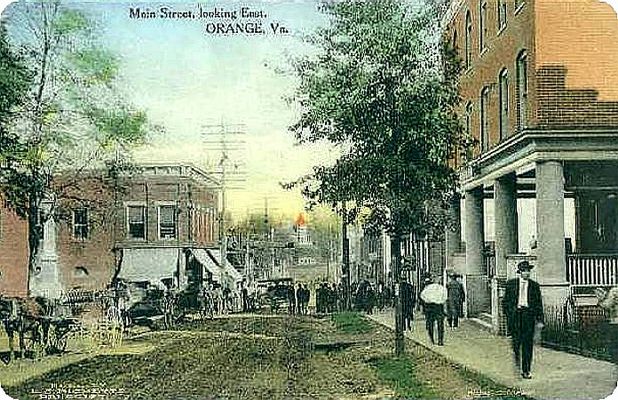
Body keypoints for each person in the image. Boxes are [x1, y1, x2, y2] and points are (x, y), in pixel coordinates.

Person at [503, 261, 544, 379]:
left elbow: (538, 304)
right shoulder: (511, 284)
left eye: (528, 271)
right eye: (524, 271)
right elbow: (505, 302)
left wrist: (540, 320)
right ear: (520, 272)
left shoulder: (534, 286)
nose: (527, 273)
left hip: (528, 316)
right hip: (516, 316)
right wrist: (510, 313)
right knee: (516, 343)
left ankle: (526, 370)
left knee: (527, 344)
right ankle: (517, 364)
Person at [420, 276, 447, 345]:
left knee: (430, 324)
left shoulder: (427, 288)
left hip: (430, 307)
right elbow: (445, 297)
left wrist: (427, 303)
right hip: (439, 307)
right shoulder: (442, 288)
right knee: (440, 324)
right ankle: (440, 341)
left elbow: (422, 296)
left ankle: (431, 339)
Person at [595, 286, 618, 366]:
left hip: (615, 322)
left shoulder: (614, 291)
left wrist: (601, 300)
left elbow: (607, 305)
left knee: (614, 345)